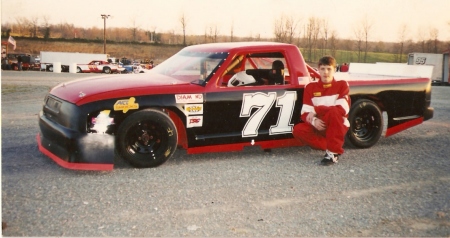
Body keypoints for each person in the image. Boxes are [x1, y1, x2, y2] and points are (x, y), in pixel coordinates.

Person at [292, 56, 350, 165]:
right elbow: (305, 113)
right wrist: (314, 121)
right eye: (322, 69)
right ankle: (330, 146)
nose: (325, 72)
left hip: (336, 123)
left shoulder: (342, 85)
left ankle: (333, 153)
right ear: (318, 69)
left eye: (329, 69)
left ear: (334, 70)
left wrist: (316, 110)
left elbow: (341, 109)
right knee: (298, 129)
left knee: (334, 112)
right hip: (320, 124)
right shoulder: (310, 87)